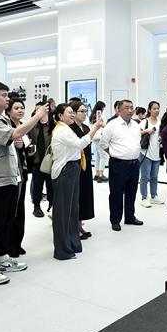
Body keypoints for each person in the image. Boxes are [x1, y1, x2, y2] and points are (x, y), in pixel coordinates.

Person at [0, 82, 47, 285]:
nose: (7, 99)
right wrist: (37, 115)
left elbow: (15, 139)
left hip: (10, 177)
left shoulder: (3, 119)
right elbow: (14, 134)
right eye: (4, 95)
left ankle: (0, 258)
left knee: (7, 220)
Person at [51, 103, 103, 259]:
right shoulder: (61, 130)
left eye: (73, 112)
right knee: (63, 213)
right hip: (65, 171)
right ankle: (62, 250)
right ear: (60, 116)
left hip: (72, 169)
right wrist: (96, 127)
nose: (73, 114)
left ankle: (72, 243)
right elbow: (80, 144)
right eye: (69, 112)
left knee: (72, 211)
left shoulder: (67, 129)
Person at [98, 100, 143, 231]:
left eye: (131, 108)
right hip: (118, 164)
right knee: (116, 193)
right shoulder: (112, 125)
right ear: (119, 110)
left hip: (134, 164)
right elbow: (103, 144)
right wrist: (114, 154)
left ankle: (130, 217)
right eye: (126, 108)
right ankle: (115, 220)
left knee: (131, 192)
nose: (130, 110)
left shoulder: (136, 125)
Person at [6, 97, 32, 261]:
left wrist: (26, 147)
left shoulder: (23, 126)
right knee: (12, 209)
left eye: (22, 107)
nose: (20, 110)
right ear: (9, 111)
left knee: (20, 209)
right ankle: (9, 245)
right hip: (10, 172)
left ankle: (17, 243)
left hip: (22, 171)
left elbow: (26, 147)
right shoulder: (7, 126)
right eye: (16, 108)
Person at [68, 99, 96, 238]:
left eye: (86, 111)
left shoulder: (85, 128)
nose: (85, 114)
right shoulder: (69, 128)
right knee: (75, 196)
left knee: (84, 195)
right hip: (74, 165)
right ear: (73, 112)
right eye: (82, 111)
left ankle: (79, 223)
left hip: (86, 165)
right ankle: (74, 226)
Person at [28, 101, 53, 217]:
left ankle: (52, 206)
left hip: (51, 162)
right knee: (37, 185)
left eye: (41, 109)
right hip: (37, 161)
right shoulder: (32, 126)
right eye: (37, 110)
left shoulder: (54, 125)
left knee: (51, 186)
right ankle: (36, 207)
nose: (38, 112)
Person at [138, 101, 163, 208]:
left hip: (157, 153)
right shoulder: (145, 121)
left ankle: (154, 196)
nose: (156, 110)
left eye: (158, 108)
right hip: (146, 153)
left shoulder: (160, 121)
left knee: (154, 177)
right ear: (149, 110)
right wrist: (146, 131)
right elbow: (137, 133)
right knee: (145, 177)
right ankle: (144, 198)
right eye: (154, 108)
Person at [90, 101, 109, 183]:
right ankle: (101, 175)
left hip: (94, 137)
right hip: (100, 137)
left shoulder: (92, 115)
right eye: (103, 107)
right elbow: (102, 124)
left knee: (98, 156)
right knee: (104, 156)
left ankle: (97, 174)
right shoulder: (100, 114)